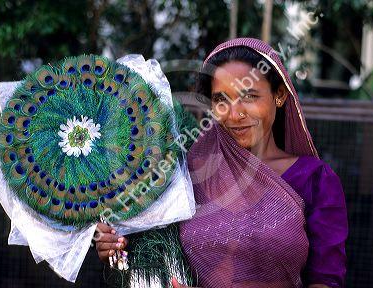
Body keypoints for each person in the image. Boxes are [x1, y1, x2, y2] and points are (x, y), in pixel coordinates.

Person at [95, 38, 348, 288]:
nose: (235, 114)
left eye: (249, 96)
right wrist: (118, 247)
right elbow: (154, 247)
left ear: (279, 95)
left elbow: (326, 279)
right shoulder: (189, 172)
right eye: (221, 100)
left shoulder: (314, 180)